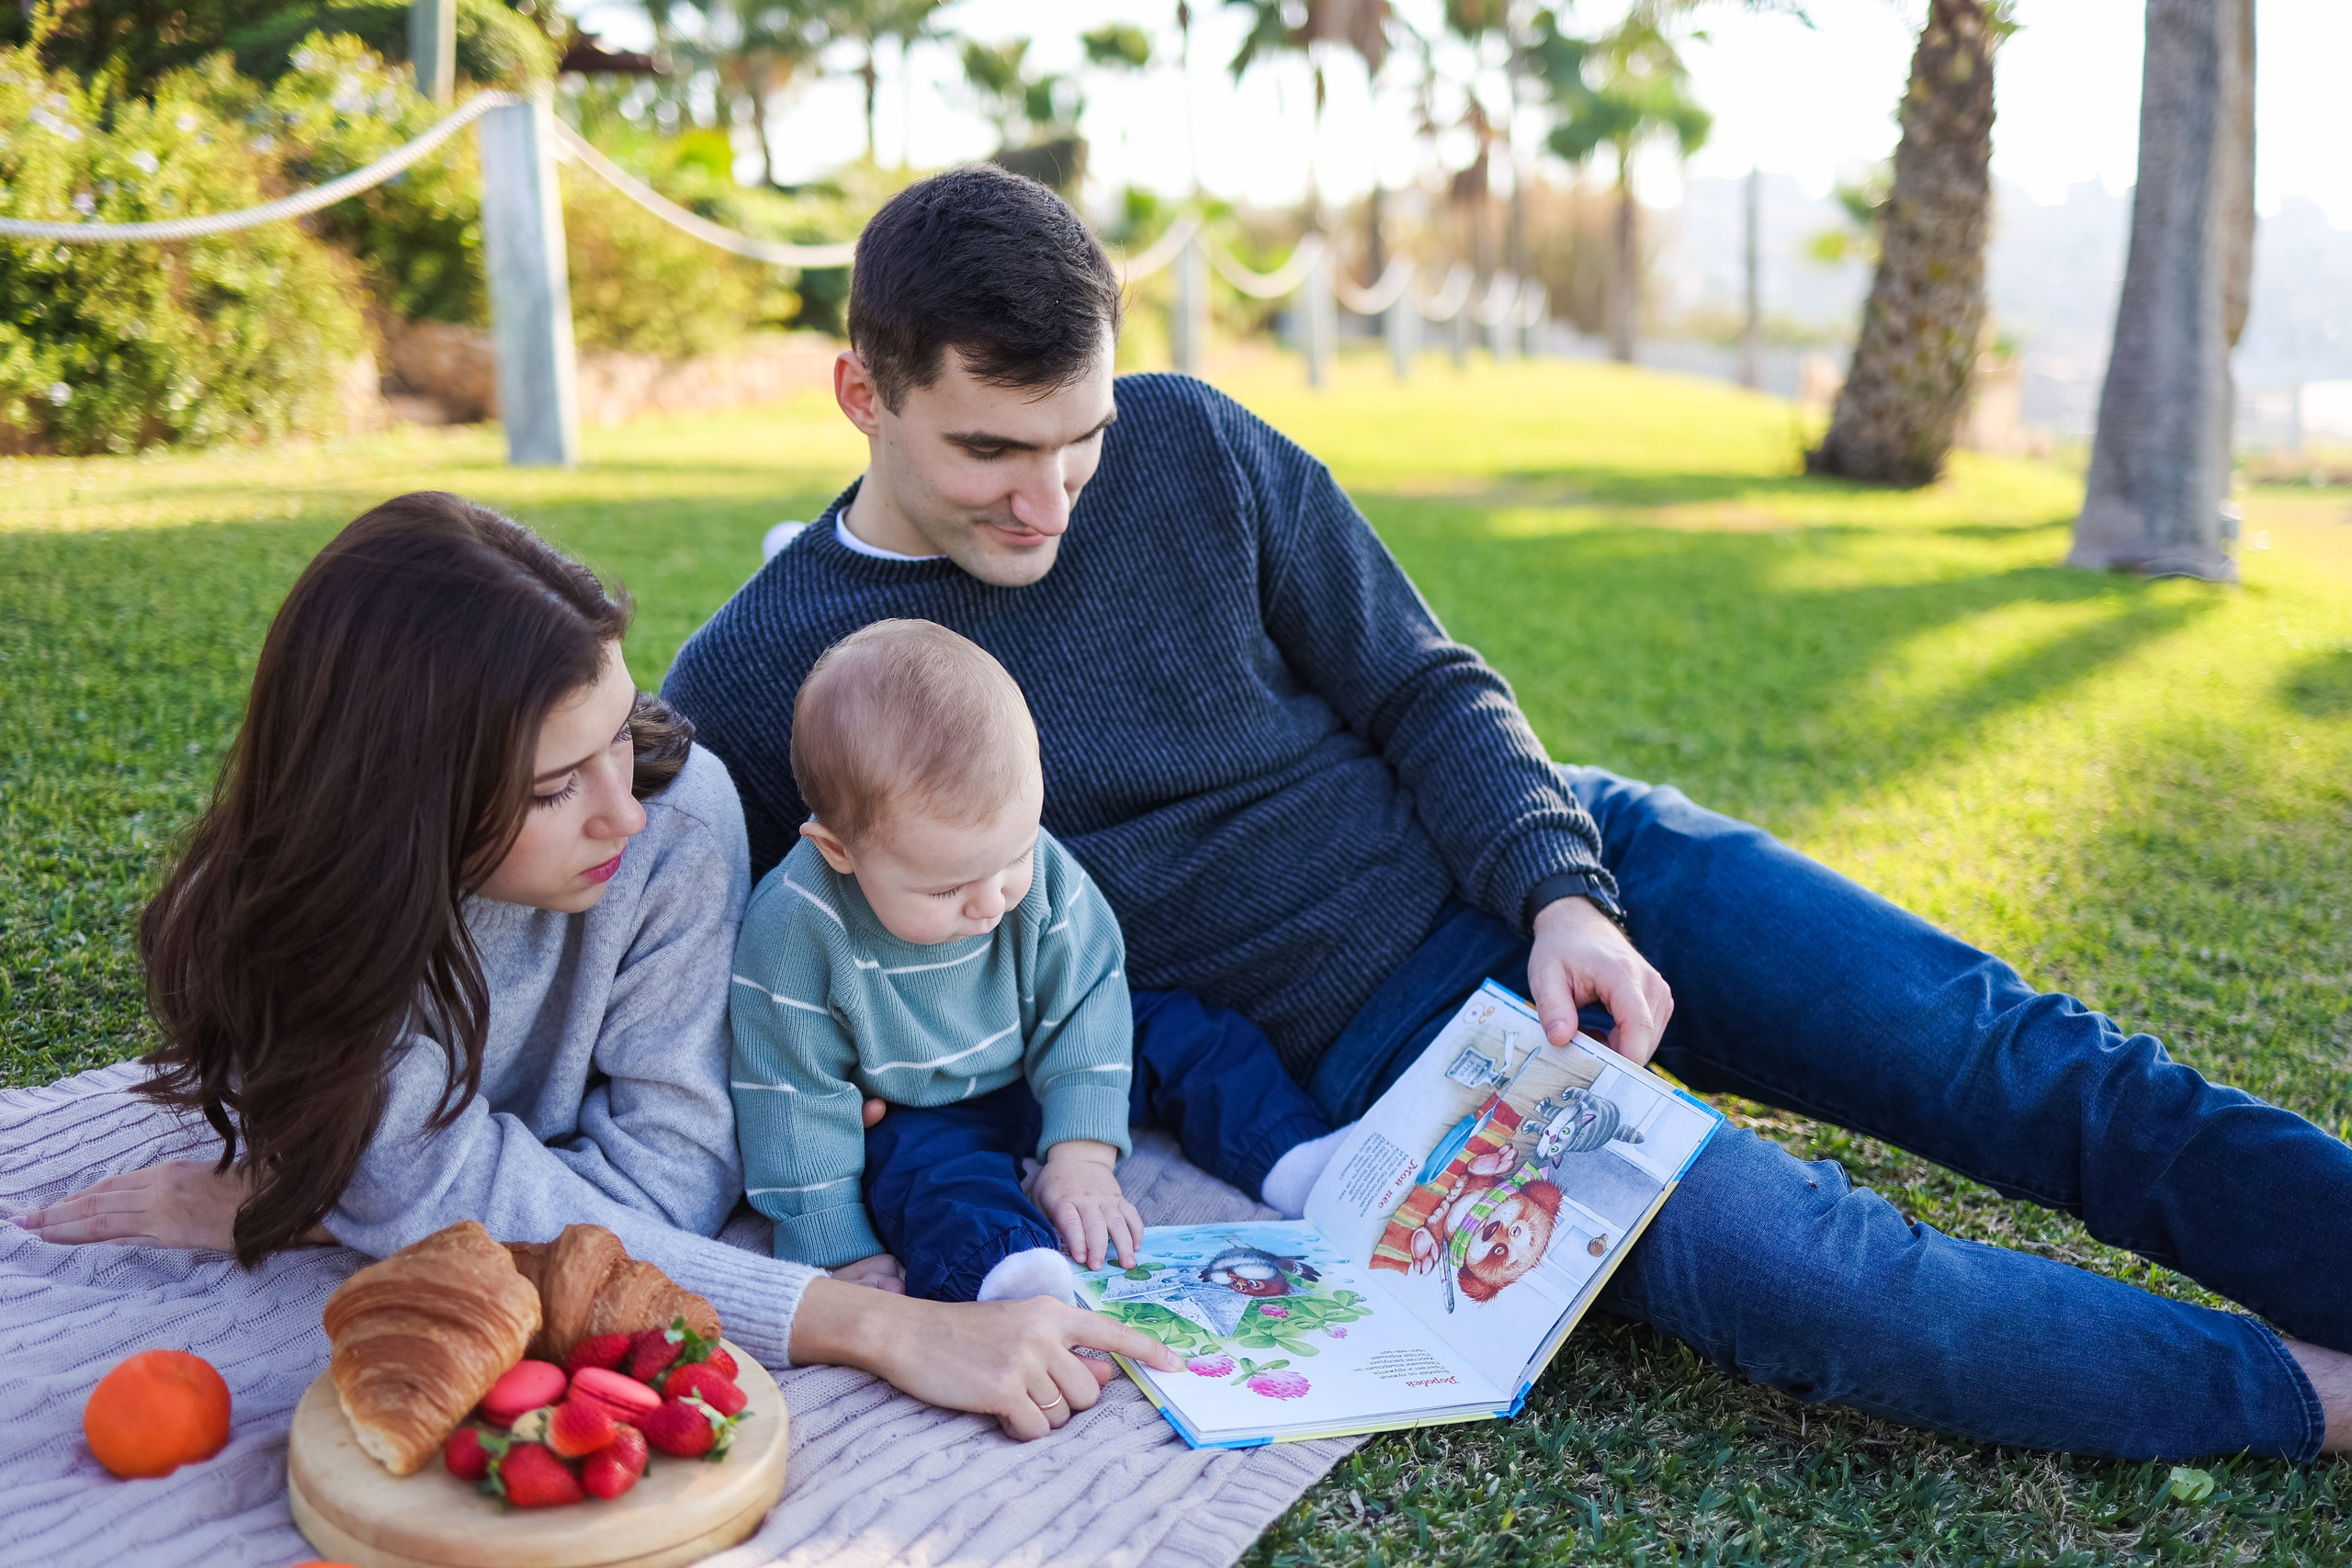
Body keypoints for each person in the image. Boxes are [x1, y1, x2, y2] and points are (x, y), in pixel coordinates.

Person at [662, 164, 2352, 1461]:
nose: (1048, 500)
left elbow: (1423, 684)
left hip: (1570, 857)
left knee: (2014, 1054)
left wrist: (1562, 891)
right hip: (1407, 1053)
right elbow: (692, 948)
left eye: (1078, 438)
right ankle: (2312, 1398)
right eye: (989, 453)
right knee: (1818, 1278)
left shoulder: (1189, 445)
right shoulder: (763, 674)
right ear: (860, 395)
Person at [17, 491, 1181, 1441]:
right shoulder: (322, 940)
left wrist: (352, 1208)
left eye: (618, 730)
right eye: (551, 788)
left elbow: (681, 1174)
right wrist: (869, 1326)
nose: (621, 809)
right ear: (400, 811)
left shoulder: (677, 817)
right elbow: (430, 1170)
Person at [730, 617, 1341, 1304]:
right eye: (946, 887)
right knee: (923, 1175)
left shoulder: (1037, 873)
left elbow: (1088, 997)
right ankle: (1010, 1269)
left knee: (1191, 1035)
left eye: (1013, 854)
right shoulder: (795, 931)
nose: (992, 901)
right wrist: (836, 1246)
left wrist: (1082, 1155)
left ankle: (1295, 1158)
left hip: (1052, 1046)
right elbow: (791, 1096)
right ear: (838, 850)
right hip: (923, 1102)